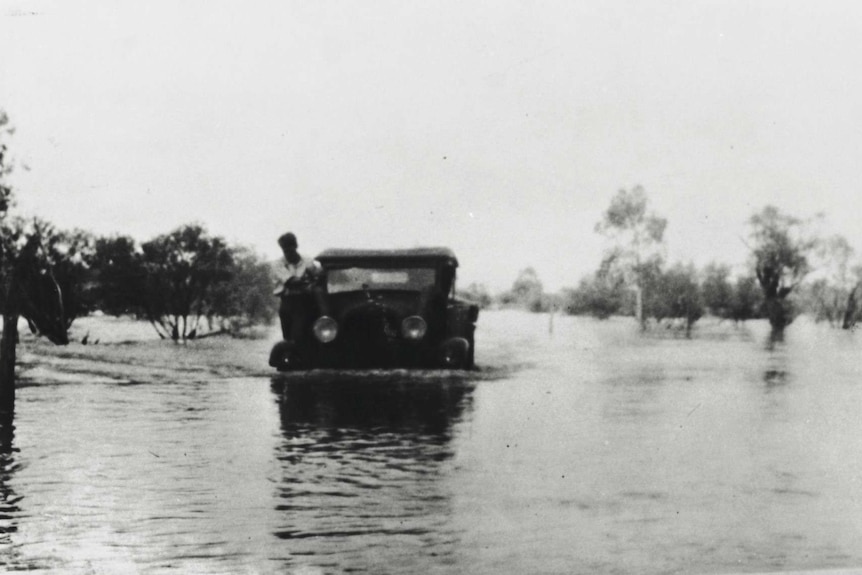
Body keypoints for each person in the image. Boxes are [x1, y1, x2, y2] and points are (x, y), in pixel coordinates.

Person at [274, 232, 320, 341]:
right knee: (287, 338)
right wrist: (307, 280)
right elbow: (291, 281)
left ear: (295, 246)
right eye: (284, 250)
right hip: (287, 302)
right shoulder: (278, 264)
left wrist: (312, 279)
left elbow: (317, 277)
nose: (287, 254)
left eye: (290, 250)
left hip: (303, 302)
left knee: (299, 336)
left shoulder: (307, 261)